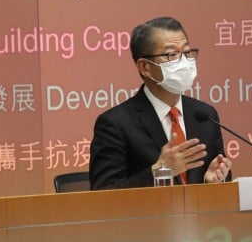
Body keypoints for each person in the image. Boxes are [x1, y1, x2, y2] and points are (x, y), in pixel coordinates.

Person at [89, 16, 232, 189]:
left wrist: (212, 182)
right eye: (172, 55)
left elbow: (219, 181)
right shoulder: (115, 124)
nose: (184, 62)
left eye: (187, 53)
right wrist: (159, 172)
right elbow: (103, 194)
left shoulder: (205, 115)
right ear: (144, 67)